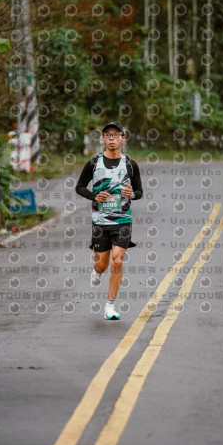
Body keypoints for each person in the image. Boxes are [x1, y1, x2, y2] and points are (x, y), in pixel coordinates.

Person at [75, 122, 143, 320]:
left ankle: (110, 306)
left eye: (116, 134)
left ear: (123, 138)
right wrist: (94, 196)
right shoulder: (94, 163)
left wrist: (133, 193)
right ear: (103, 139)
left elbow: (139, 192)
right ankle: (96, 272)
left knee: (118, 260)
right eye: (107, 135)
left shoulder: (130, 164)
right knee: (102, 264)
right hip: (100, 221)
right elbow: (80, 187)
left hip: (122, 220)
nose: (111, 138)